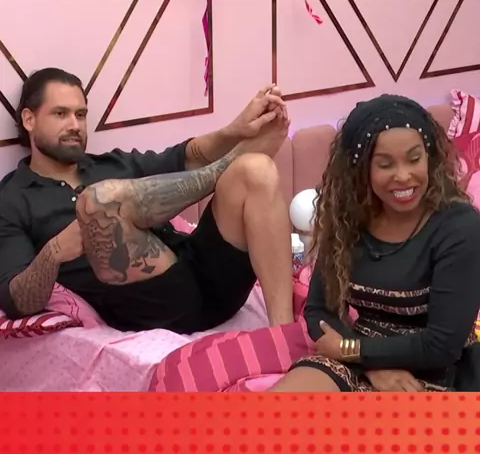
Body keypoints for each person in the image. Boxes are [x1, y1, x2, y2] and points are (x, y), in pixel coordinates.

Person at [0, 67, 295, 334]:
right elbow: (17, 302)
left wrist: (235, 130)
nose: (75, 124)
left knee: (255, 168)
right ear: (29, 119)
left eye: (80, 114)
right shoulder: (12, 199)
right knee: (98, 202)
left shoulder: (111, 164)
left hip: (211, 281)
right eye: (60, 114)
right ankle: (228, 163)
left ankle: (284, 337)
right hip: (156, 308)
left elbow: (188, 157)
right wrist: (53, 252)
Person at [268, 94, 480, 393]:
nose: (403, 176)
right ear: (362, 168)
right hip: (358, 353)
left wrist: (351, 350)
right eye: (385, 164)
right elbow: (318, 311)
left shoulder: (460, 227)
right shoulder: (346, 219)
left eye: (414, 159)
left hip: (439, 368)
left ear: (429, 157)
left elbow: (442, 345)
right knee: (270, 415)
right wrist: (368, 363)